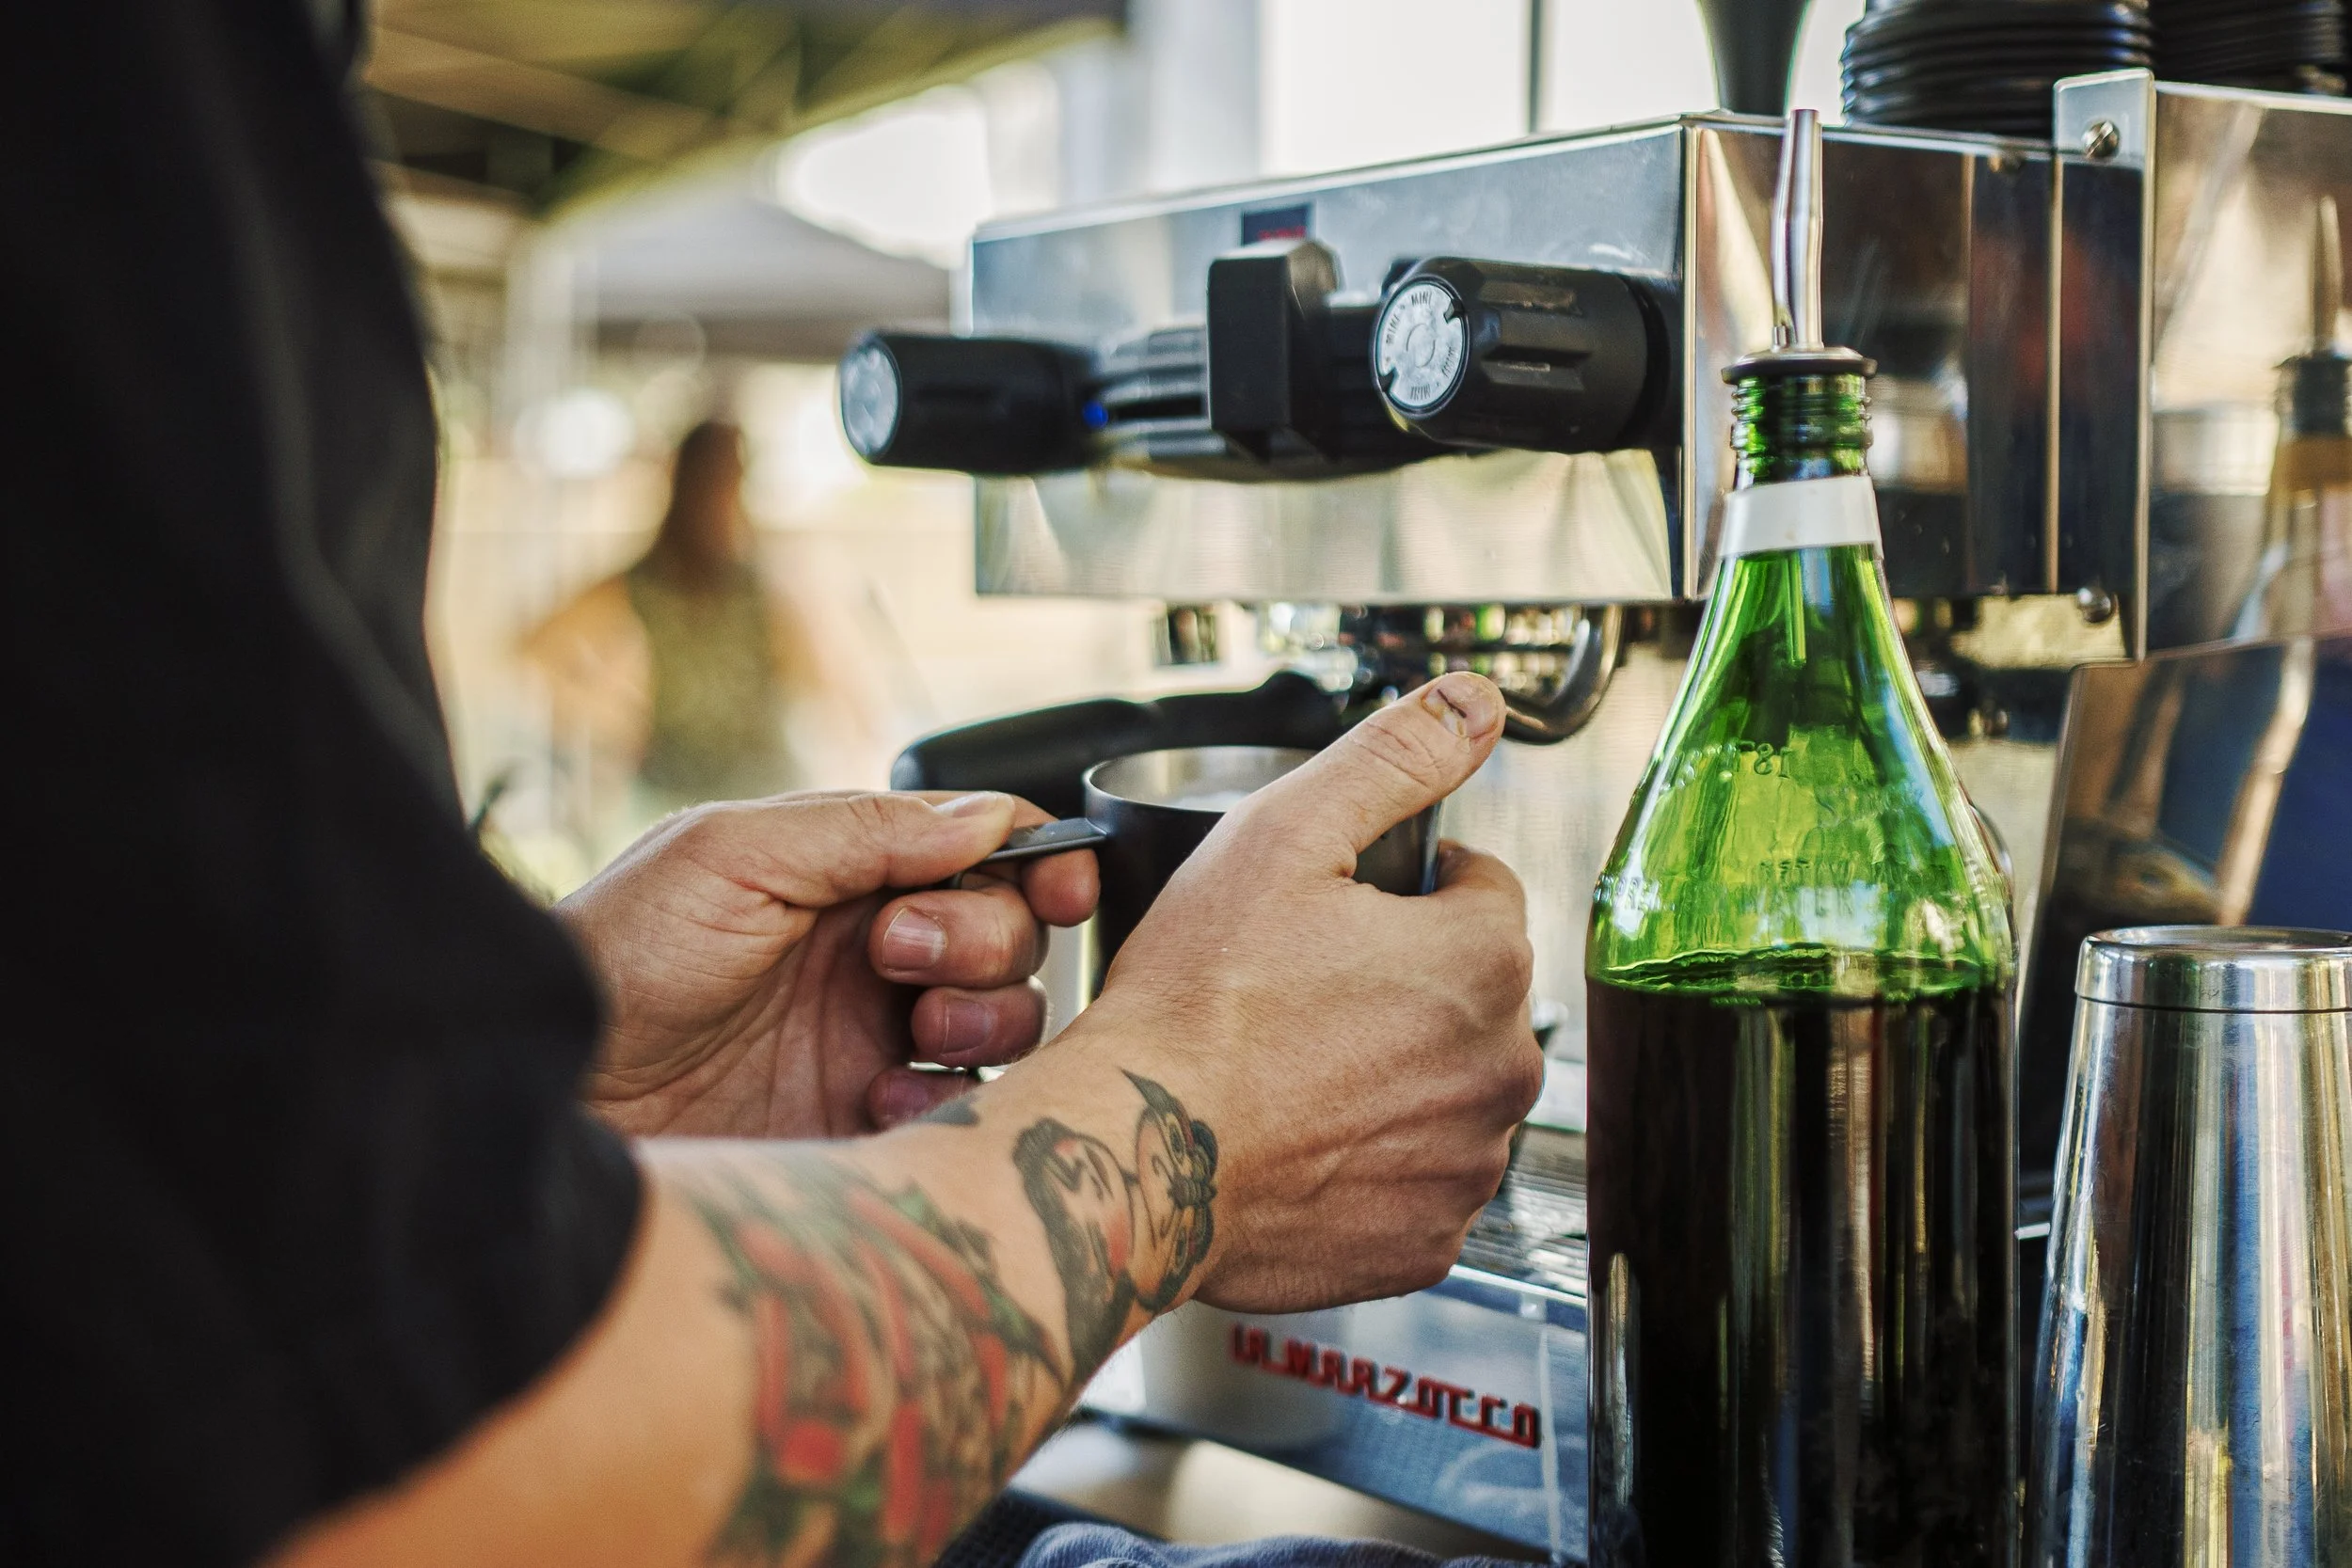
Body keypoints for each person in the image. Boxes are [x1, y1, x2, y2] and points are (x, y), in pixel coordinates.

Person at [0, 6, 1542, 1566]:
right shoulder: (112, 90)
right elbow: (420, 1464)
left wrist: (573, 1097)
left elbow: (161, 1207)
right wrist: (1185, 1129)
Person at [524, 420, 831, 823]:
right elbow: (535, 645)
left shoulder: (759, 586)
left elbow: (813, 681)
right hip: (680, 800)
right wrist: (608, 707)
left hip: (750, 797)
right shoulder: (647, 581)